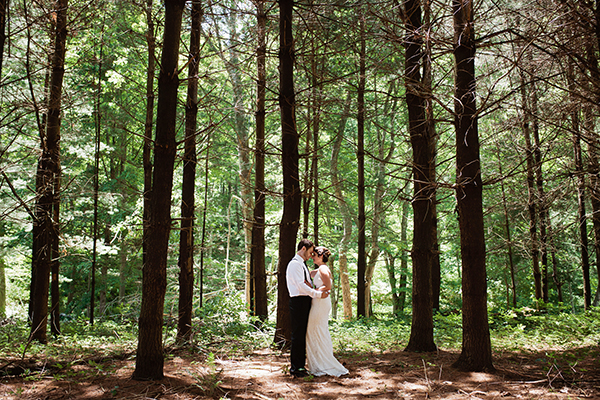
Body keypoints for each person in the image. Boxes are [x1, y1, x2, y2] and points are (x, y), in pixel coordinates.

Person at [286, 239, 329, 378]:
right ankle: (296, 368)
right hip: (298, 301)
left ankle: (300, 365)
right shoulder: (295, 264)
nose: (311, 255)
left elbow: (306, 283)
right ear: (303, 248)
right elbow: (300, 286)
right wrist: (317, 294)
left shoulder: (301, 264)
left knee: (302, 334)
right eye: (310, 252)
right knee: (298, 335)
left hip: (304, 301)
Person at [306, 246, 348, 377]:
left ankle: (324, 363)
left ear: (321, 256)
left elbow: (328, 286)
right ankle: (318, 362)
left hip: (320, 302)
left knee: (316, 330)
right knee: (315, 330)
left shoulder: (323, 268)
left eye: (314, 255)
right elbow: (309, 275)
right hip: (318, 302)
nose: (312, 257)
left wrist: (313, 292)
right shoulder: (319, 269)